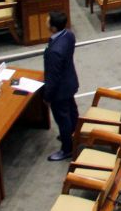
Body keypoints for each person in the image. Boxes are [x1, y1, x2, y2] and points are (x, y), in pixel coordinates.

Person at [43, 11, 79, 161]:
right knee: (72, 111)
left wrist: (47, 96)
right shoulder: (69, 35)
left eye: (48, 21)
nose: (46, 22)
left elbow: (53, 77)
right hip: (70, 81)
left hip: (60, 90)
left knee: (62, 118)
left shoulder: (54, 52)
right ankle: (75, 135)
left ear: (53, 28)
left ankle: (67, 149)